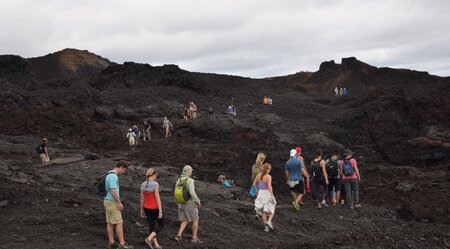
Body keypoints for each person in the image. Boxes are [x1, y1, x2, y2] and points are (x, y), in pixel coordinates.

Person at [104, 160, 133, 249]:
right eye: (124, 170)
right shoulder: (113, 176)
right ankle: (122, 244)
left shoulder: (108, 174)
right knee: (119, 222)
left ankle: (111, 242)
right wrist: (119, 202)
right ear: (121, 167)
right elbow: (113, 191)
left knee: (110, 223)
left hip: (107, 200)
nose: (123, 172)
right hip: (112, 202)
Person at [174, 165, 202, 243]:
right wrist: (198, 201)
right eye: (191, 171)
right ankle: (194, 238)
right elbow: (192, 192)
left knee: (185, 220)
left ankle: (178, 235)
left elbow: (175, 192)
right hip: (189, 202)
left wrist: (177, 202)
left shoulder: (178, 180)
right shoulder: (190, 180)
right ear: (189, 171)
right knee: (195, 219)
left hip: (180, 202)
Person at [140, 168, 164, 249]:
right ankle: (149, 239)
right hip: (155, 208)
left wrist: (141, 210)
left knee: (152, 226)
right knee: (161, 224)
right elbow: (157, 198)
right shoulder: (155, 184)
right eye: (156, 175)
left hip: (146, 208)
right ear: (153, 175)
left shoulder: (143, 184)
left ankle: (156, 245)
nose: (156, 177)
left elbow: (142, 199)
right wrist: (160, 211)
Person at [253, 163, 276, 232]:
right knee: (272, 208)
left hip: (260, 193)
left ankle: (266, 228)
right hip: (267, 193)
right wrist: (272, 195)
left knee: (263, 211)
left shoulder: (258, 175)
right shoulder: (268, 176)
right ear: (268, 169)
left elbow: (254, 184)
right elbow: (269, 187)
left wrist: (257, 192)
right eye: (269, 169)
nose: (270, 170)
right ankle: (269, 221)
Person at [250, 153, 266, 219]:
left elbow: (252, 176)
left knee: (257, 199)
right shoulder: (262, 167)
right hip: (261, 184)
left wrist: (253, 183)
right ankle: (259, 213)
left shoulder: (253, 166)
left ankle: (257, 213)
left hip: (254, 184)